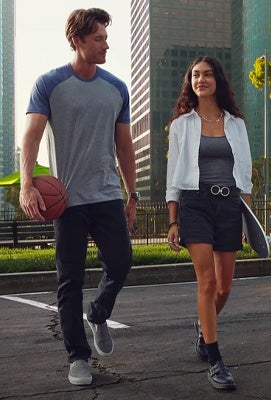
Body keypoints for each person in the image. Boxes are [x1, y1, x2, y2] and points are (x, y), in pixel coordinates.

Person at [18, 8, 137, 387]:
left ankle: (99, 313)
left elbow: (124, 145)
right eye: (99, 38)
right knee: (68, 280)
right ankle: (78, 357)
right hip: (66, 200)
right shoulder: (49, 84)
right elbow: (32, 136)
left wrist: (132, 194)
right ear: (78, 41)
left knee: (120, 263)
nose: (106, 44)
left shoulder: (117, 87)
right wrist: (27, 184)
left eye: (105, 37)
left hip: (105, 195)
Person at [165, 56, 253, 391]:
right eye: (195, 75)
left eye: (207, 74)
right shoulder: (181, 125)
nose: (201, 79)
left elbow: (244, 175)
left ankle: (205, 325)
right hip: (195, 203)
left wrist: (247, 218)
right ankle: (215, 360)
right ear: (190, 82)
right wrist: (172, 220)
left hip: (230, 204)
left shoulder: (236, 124)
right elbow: (174, 176)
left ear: (218, 80)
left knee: (224, 287)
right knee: (207, 281)